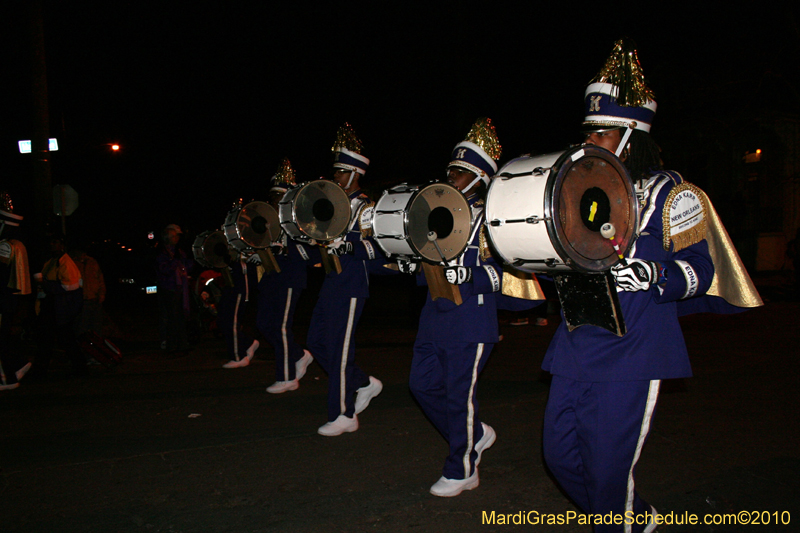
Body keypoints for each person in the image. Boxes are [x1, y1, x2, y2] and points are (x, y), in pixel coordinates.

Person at [540, 39, 717, 532]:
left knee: (607, 471)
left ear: (629, 136)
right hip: (577, 341)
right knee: (557, 454)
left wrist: (654, 276)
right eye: (588, 132)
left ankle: (616, 517)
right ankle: (630, 515)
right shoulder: (580, 190)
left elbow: (700, 270)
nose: (588, 143)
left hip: (634, 346)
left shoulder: (673, 193)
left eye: (600, 133)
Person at [405, 118, 504, 497]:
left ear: (480, 177)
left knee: (459, 395)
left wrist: (471, 275)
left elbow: (512, 273)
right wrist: (411, 264)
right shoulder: (438, 213)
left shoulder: (494, 218)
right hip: (435, 312)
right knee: (421, 384)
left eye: (461, 172)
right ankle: (475, 433)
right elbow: (429, 263)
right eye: (451, 170)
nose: (452, 178)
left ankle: (462, 468)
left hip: (472, 318)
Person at [306, 123, 384, 436]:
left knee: (339, 350)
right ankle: (362, 382)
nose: (335, 177)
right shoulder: (333, 206)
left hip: (352, 285)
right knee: (315, 342)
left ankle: (344, 414)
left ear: (354, 173)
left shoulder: (366, 207)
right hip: (331, 282)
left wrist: (349, 245)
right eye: (335, 171)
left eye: (340, 171)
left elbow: (378, 247)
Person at [258, 159, 316, 392]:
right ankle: (299, 354)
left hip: (291, 278)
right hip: (272, 278)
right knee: (263, 324)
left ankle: (287, 377)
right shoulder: (268, 223)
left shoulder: (299, 222)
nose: (275, 201)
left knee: (281, 327)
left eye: (280, 196)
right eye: (273, 197)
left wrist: (285, 249)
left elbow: (312, 256)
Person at [32, 233, 87, 377]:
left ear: (62, 245)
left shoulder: (65, 262)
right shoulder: (52, 261)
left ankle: (79, 366)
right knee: (51, 338)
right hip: (53, 306)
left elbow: (70, 286)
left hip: (59, 307)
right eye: (51, 242)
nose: (52, 245)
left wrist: (46, 285)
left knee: (60, 338)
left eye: (55, 242)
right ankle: (41, 369)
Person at [217, 223, 260, 369]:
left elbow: (245, 264)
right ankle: (248, 343)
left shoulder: (246, 240)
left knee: (232, 321)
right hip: (231, 285)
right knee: (223, 319)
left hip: (241, 285)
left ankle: (238, 356)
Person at [0, 192, 32, 390]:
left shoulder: (4, 246)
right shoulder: (11, 244)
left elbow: (2, 275)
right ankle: (15, 369)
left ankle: (10, 376)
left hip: (3, 300)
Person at [156, 224, 192, 352]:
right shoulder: (163, 253)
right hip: (169, 289)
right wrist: (175, 262)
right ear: (168, 238)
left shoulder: (178, 251)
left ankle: (182, 344)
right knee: (172, 317)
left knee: (180, 316)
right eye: (175, 236)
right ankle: (172, 344)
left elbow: (187, 265)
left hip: (180, 287)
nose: (177, 238)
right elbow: (164, 270)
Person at [69, 239, 106, 336]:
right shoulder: (72, 263)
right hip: (81, 300)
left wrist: (101, 294)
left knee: (96, 326)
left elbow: (99, 278)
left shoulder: (91, 262)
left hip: (94, 299)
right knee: (82, 327)